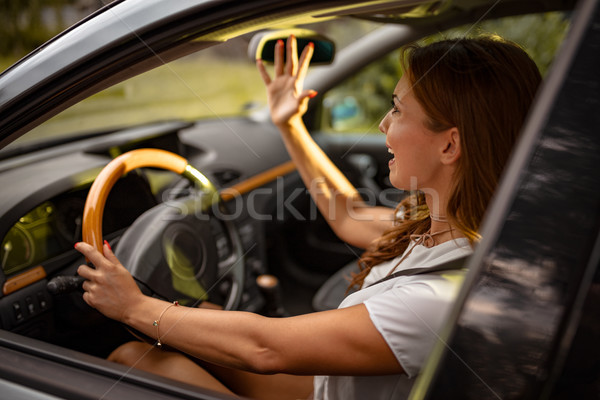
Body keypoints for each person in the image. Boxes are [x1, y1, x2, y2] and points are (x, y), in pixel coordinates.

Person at [74, 34, 542, 399]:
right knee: (202, 316)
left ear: (449, 145)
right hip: (323, 387)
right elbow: (351, 215)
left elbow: (266, 348)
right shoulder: (446, 222)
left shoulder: (437, 301)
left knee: (132, 356)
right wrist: (289, 123)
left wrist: (134, 307)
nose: (382, 125)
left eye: (397, 110)